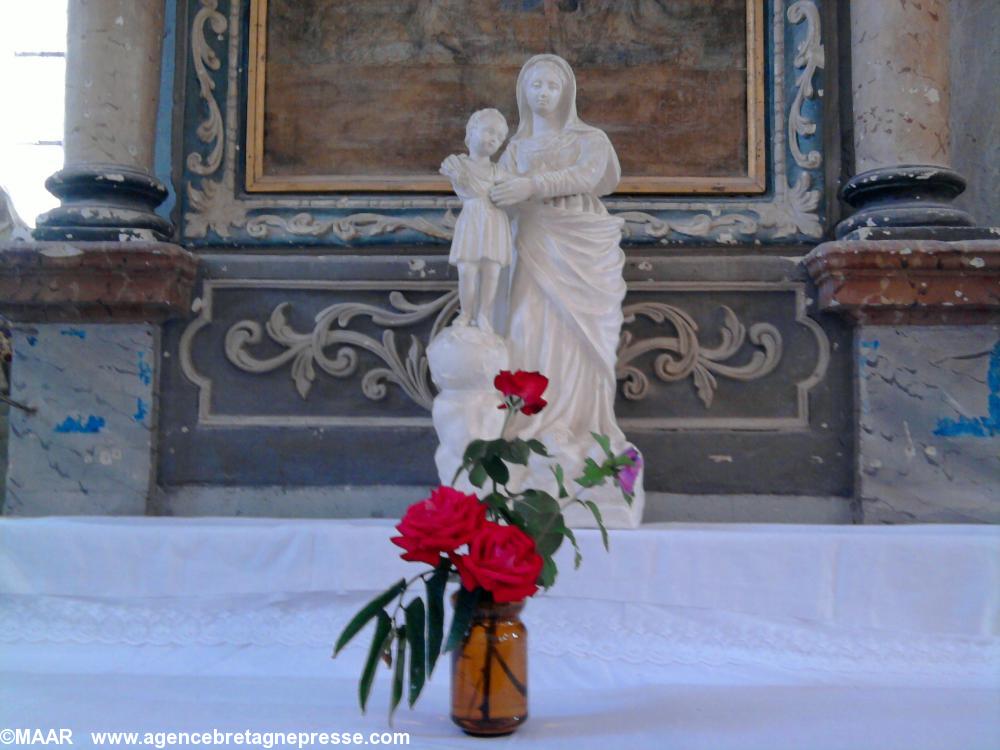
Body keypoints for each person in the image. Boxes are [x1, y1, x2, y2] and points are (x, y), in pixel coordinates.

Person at [488, 54, 641, 498]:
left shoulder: (589, 139)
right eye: (535, 85)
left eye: (551, 86)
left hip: (580, 245)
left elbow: (592, 175)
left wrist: (533, 186)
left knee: (581, 339)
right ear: (523, 93)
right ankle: (531, 430)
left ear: (566, 93)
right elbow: (499, 192)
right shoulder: (515, 148)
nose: (542, 93)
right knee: (526, 329)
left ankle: (580, 427)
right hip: (532, 245)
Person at [440, 108, 512, 333]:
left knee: (492, 271)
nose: (494, 139)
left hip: (493, 221)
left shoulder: (497, 171)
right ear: (471, 131)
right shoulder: (456, 165)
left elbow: (517, 188)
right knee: (467, 271)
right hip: (471, 219)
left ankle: (484, 315)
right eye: (490, 131)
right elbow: (459, 182)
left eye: (499, 137)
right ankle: (466, 313)